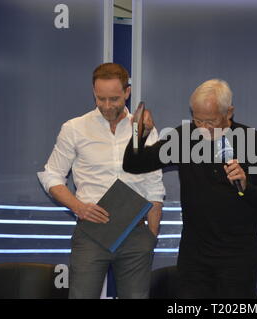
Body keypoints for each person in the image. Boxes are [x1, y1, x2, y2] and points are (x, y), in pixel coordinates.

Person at [123, 79, 257, 298]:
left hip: (239, 257)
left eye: (211, 122)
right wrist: (139, 133)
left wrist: (247, 187)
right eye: (198, 120)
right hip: (194, 257)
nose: (204, 129)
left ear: (229, 112)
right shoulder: (183, 138)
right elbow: (133, 164)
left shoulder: (253, 141)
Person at [37, 63, 165, 299]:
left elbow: (154, 182)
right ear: (94, 93)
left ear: (127, 92)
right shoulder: (75, 128)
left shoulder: (144, 128)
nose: (107, 106)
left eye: (114, 99)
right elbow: (51, 174)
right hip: (91, 233)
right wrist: (78, 207)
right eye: (100, 98)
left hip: (136, 232)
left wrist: (151, 234)